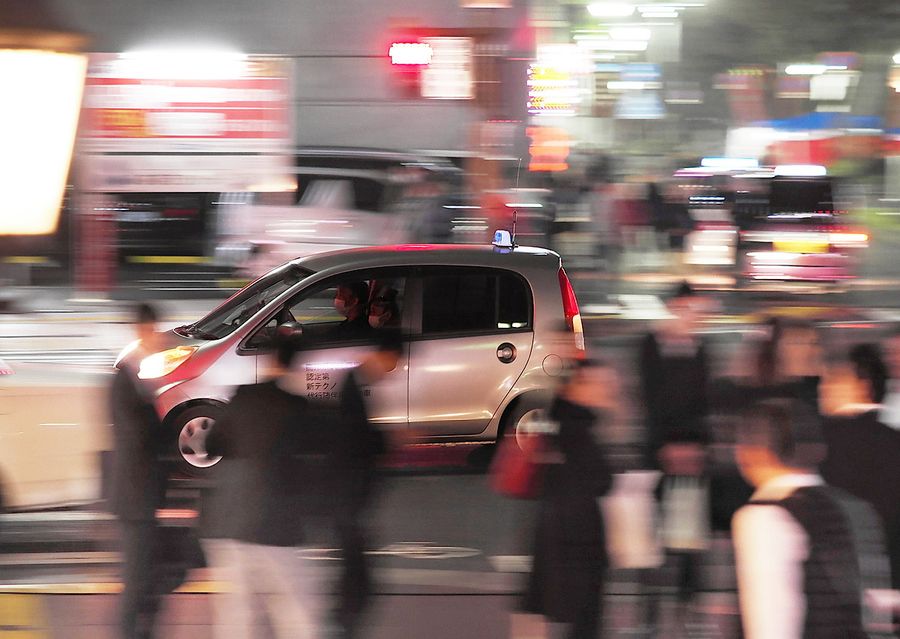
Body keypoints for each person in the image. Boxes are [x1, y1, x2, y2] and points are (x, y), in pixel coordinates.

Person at [203, 328, 333, 638]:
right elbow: (320, 457)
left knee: (238, 620)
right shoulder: (299, 408)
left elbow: (211, 444)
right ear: (296, 364)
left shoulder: (243, 396)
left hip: (229, 522)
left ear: (269, 359)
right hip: (277, 524)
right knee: (299, 616)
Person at [732, 398, 893, 639]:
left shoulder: (765, 515)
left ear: (751, 452)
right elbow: (873, 612)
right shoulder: (856, 508)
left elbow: (772, 624)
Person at [519, 358, 614, 639]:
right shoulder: (575, 428)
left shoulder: (564, 421)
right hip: (573, 541)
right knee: (578, 617)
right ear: (579, 386)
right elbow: (598, 480)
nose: (608, 389)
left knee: (553, 612)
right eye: (600, 383)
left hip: (561, 535)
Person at [638, 281, 711, 623]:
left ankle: (687, 609)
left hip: (692, 453)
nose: (693, 317)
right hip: (658, 450)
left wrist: (695, 446)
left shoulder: (702, 347)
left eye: (697, 311)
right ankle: (649, 612)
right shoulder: (651, 345)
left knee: (689, 536)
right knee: (652, 534)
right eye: (687, 309)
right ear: (673, 308)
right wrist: (666, 445)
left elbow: (704, 402)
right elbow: (650, 399)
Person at [329, 329, 403, 638]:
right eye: (392, 363)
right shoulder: (353, 386)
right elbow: (353, 438)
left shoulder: (356, 383)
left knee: (354, 560)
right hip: (348, 490)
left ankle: (346, 614)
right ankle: (345, 618)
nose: (391, 371)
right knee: (355, 562)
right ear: (385, 355)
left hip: (351, 490)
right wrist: (388, 440)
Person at [110, 302, 170, 639]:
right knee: (136, 582)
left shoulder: (138, 375)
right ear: (143, 330)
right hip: (135, 497)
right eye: (155, 330)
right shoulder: (125, 378)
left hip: (140, 497)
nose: (160, 337)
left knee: (144, 579)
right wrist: (164, 431)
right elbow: (136, 436)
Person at [819, 344, 900, 592]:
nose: (823, 388)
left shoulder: (823, 442)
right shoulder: (893, 439)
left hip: (837, 580)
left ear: (862, 385)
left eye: (833, 380)